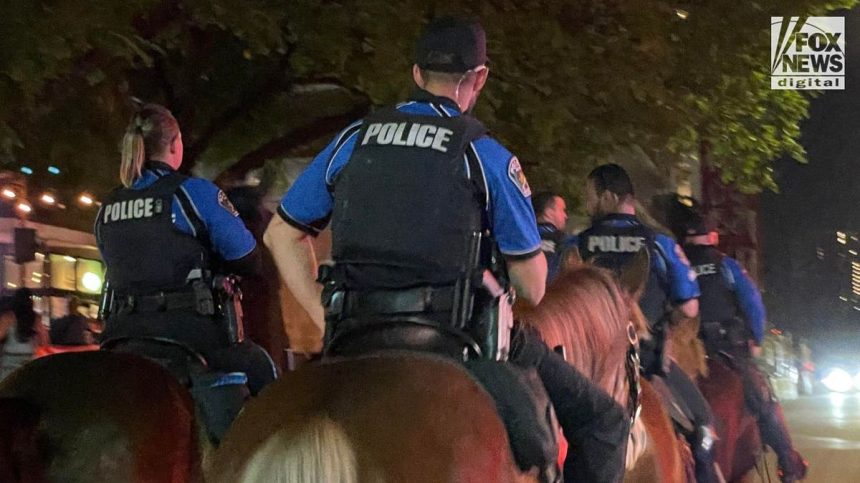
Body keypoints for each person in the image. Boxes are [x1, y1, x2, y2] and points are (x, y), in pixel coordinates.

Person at [265, 17, 628, 482]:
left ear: (417, 74)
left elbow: (281, 233)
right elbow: (534, 288)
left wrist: (323, 316)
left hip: (354, 332)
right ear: (479, 78)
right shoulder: (487, 156)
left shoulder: (352, 141)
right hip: (459, 340)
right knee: (605, 422)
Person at [94, 103, 277, 399]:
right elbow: (248, 259)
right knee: (259, 367)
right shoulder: (193, 193)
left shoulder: (108, 205)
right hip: (190, 335)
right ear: (175, 143)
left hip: (120, 334)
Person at [577, 163, 719, 482]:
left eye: (590, 197)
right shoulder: (660, 243)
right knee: (704, 425)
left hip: (587, 368)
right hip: (646, 361)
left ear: (610, 197)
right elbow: (691, 307)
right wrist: (665, 324)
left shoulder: (578, 243)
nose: (587, 205)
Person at [682, 217, 808, 482]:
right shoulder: (726, 265)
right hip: (726, 349)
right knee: (762, 397)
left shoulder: (678, 265)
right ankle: (787, 461)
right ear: (712, 238)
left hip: (686, 350)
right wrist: (757, 340)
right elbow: (753, 303)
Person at [0, 289, 47, 381]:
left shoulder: (8, 317)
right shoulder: (35, 318)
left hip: (9, 367)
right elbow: (45, 341)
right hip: (27, 366)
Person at [533, 192, 578, 283]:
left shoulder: (521, 238)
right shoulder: (565, 241)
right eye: (562, 210)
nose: (566, 216)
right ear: (549, 212)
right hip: (553, 294)